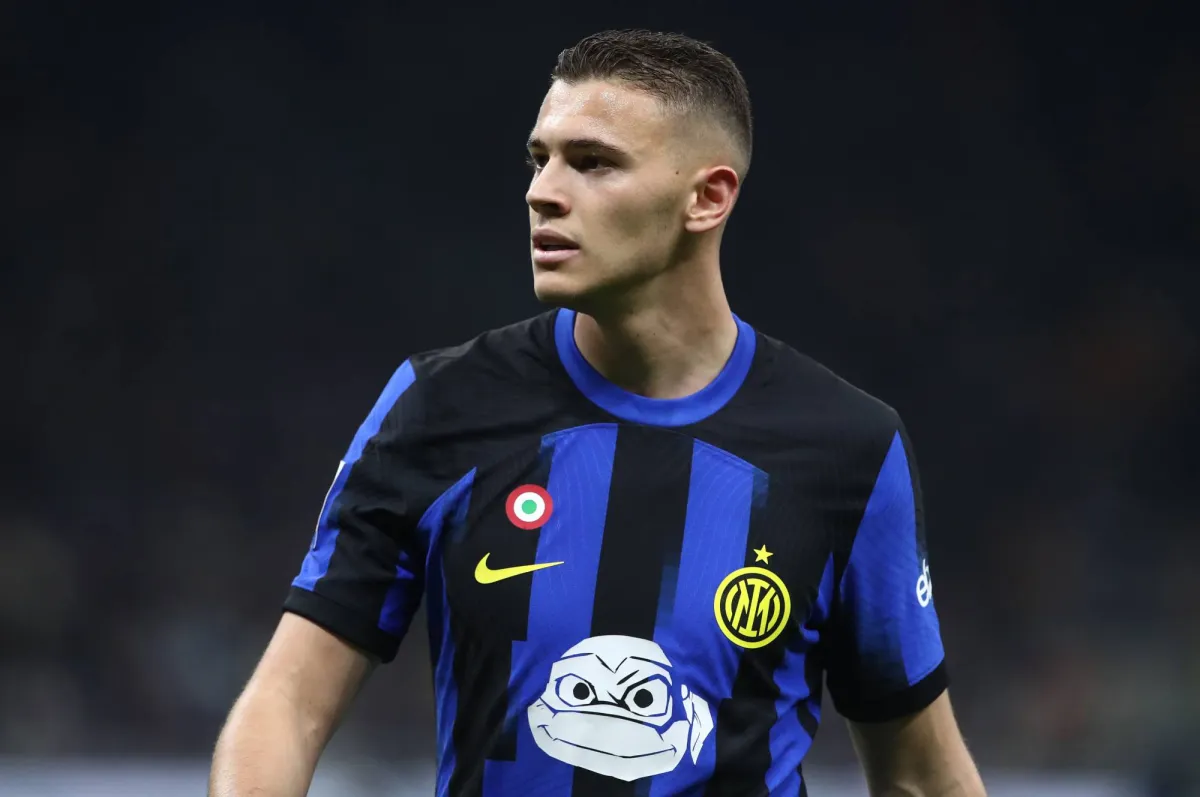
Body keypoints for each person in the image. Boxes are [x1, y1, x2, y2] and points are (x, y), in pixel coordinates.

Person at [209, 28, 987, 797]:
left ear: (707, 198)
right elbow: (287, 705)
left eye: (592, 163)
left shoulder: (849, 448)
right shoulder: (438, 405)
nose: (542, 192)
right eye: (539, 159)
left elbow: (920, 776)